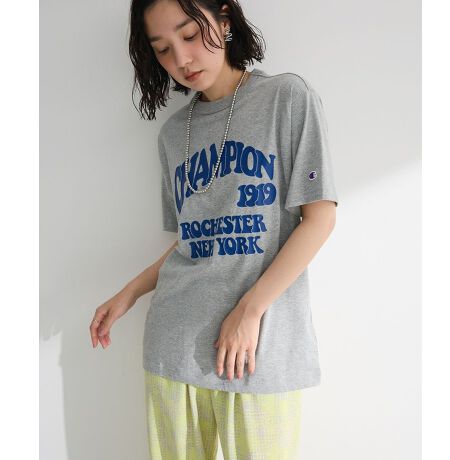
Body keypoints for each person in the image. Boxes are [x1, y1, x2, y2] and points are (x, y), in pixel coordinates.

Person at [89, 0, 339, 458]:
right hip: (174, 345)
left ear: (224, 20)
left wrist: (249, 311)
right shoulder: (172, 135)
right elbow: (192, 240)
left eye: (189, 35)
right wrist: (130, 292)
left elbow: (319, 218)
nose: (181, 59)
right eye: (163, 49)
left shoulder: (286, 98)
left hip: (259, 350)